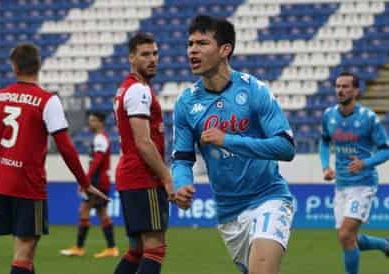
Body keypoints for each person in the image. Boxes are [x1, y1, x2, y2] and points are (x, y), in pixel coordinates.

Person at [171, 15, 296, 274]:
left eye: (202, 43)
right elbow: (182, 159)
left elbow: (286, 147)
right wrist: (181, 183)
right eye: (190, 43)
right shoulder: (185, 103)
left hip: (269, 198)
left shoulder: (254, 90)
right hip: (228, 213)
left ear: (225, 50)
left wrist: (227, 140)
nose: (192, 50)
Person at [0, 43, 107, 274]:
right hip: (28, 185)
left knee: (23, 251)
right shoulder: (47, 101)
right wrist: (84, 183)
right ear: (39, 67)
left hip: (1, 184)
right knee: (24, 252)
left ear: (14, 68)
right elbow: (65, 147)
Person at [113, 33, 174, 274]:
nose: (152, 59)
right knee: (154, 248)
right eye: (145, 54)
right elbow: (143, 142)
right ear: (131, 58)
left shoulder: (126, 88)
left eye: (155, 54)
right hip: (143, 177)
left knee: (137, 250)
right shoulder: (139, 90)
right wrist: (166, 178)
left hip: (131, 176)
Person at [319, 71, 389, 274]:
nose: (340, 90)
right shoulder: (329, 115)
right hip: (341, 184)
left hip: (363, 183)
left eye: (345, 86)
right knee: (347, 237)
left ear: (356, 90)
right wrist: (325, 166)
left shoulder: (368, 118)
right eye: (338, 86)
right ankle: (385, 245)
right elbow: (324, 142)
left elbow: (385, 150)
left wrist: (365, 163)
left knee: (345, 235)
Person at [60, 111, 119, 258]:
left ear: (101, 122)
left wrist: (85, 180)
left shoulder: (100, 138)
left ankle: (81, 247)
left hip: (98, 182)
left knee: (85, 210)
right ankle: (110, 248)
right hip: (100, 180)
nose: (90, 123)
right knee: (100, 213)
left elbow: (97, 161)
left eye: (93, 120)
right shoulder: (101, 138)